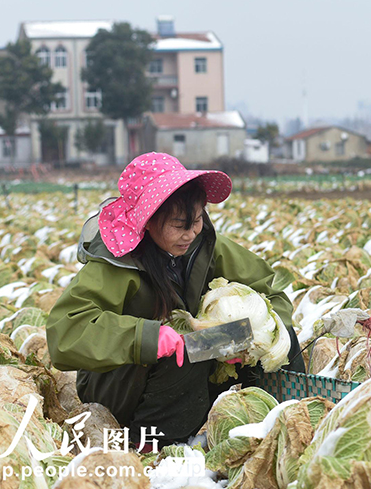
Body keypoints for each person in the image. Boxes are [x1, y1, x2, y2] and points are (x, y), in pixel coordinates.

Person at [46, 152, 305, 448]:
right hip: (121, 384)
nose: (191, 233)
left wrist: (247, 340)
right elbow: (65, 331)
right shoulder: (116, 263)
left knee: (279, 338)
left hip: (188, 362)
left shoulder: (204, 244)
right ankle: (153, 442)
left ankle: (283, 423)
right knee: (186, 351)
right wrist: (146, 337)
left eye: (197, 220)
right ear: (147, 221)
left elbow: (269, 289)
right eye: (180, 224)